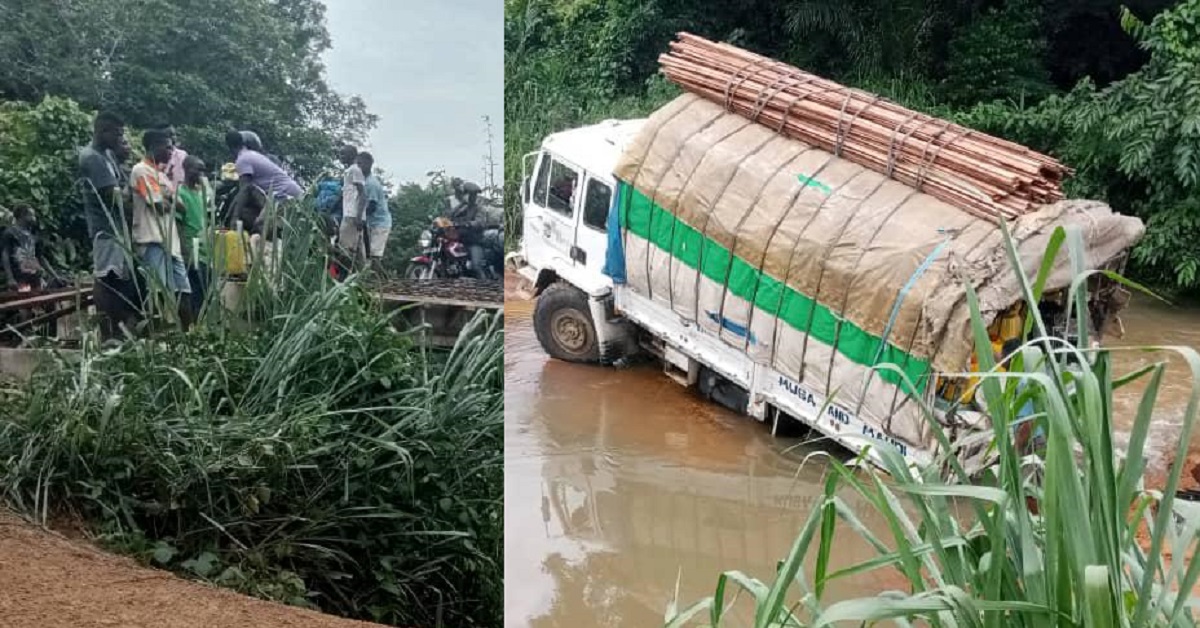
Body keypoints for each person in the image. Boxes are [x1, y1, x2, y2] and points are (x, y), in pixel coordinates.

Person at [79, 111, 140, 340]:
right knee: (106, 278)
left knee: (118, 280)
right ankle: (108, 332)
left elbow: (122, 188)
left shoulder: (106, 155)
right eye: (118, 133)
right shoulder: (93, 158)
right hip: (105, 230)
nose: (120, 138)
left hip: (116, 228)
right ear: (103, 131)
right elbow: (115, 198)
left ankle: (117, 329)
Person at [130, 129, 192, 329]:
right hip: (152, 240)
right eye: (167, 147)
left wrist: (167, 197)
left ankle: (187, 335)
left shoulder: (162, 176)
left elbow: (182, 206)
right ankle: (159, 336)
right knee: (158, 291)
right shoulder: (141, 170)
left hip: (170, 242)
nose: (171, 151)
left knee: (183, 289)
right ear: (152, 147)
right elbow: (159, 205)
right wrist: (168, 197)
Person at [226, 130, 302, 236]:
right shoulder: (253, 155)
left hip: (283, 197)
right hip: (293, 194)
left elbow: (244, 191)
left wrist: (233, 220)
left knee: (261, 228)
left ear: (230, 147)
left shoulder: (242, 160)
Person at [176, 155, 214, 314]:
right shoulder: (180, 193)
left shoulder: (202, 193)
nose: (201, 174)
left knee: (208, 288)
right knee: (196, 291)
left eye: (203, 171)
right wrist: (185, 251)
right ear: (187, 169)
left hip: (206, 249)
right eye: (198, 169)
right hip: (191, 248)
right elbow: (178, 224)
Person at [448, 180, 487, 279]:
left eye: (472, 194)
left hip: (474, 242)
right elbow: (451, 216)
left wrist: (469, 224)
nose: (470, 196)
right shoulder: (463, 208)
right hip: (461, 241)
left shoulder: (479, 208)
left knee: (476, 266)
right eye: (467, 194)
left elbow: (480, 222)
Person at [1, 205, 44, 292]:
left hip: (35, 277)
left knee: (38, 302)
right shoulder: (10, 233)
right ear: (22, 216)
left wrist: (55, 276)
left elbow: (40, 257)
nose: (34, 218)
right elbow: (5, 255)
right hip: (19, 277)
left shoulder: (33, 235)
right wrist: (10, 278)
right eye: (31, 215)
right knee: (23, 301)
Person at [358, 152, 391, 267]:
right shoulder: (363, 181)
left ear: (368, 164)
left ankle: (378, 281)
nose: (358, 166)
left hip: (380, 223)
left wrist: (360, 217)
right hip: (371, 223)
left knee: (375, 255)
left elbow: (372, 206)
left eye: (360, 163)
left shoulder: (371, 183)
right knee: (367, 253)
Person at [338, 144, 367, 261]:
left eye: (343, 154)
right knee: (358, 250)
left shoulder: (355, 170)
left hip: (352, 215)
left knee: (345, 249)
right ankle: (363, 276)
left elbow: (363, 194)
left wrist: (358, 216)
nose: (340, 156)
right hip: (351, 214)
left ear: (351, 155)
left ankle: (345, 276)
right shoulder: (349, 171)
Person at [157, 124, 188, 190]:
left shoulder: (183, 155)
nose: (174, 137)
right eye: (170, 135)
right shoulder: (156, 157)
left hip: (181, 196)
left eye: (174, 135)